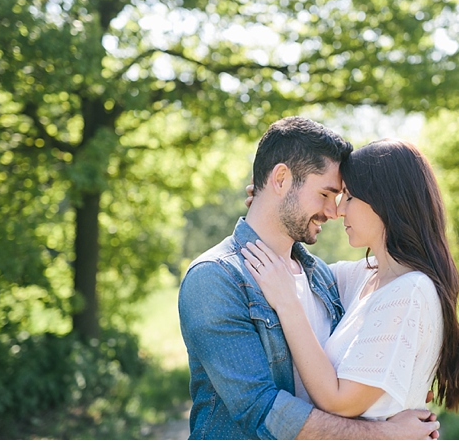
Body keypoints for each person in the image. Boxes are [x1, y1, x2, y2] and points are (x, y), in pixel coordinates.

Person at [178, 117, 440, 439]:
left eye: (342, 197)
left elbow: (391, 299)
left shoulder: (324, 278)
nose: (334, 211)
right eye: (326, 194)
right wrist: (384, 434)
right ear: (282, 178)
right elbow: (262, 411)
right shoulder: (215, 279)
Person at [241, 138, 459, 421]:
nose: (338, 211)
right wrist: (273, 209)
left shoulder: (410, 291)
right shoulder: (369, 277)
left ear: (385, 201)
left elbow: (339, 403)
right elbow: (303, 268)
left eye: (349, 196)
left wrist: (288, 305)